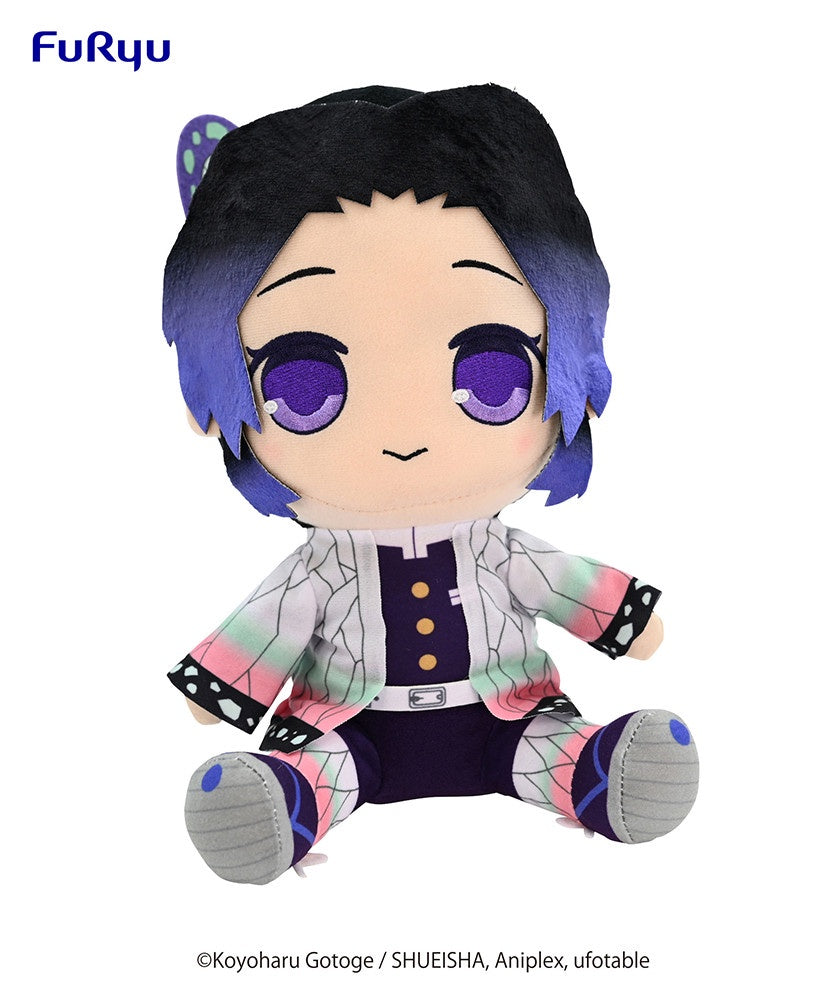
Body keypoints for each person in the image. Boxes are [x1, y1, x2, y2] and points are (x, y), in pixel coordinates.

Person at [163, 84, 698, 885]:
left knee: (548, 746)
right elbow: (269, 623)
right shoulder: (322, 568)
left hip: (506, 715)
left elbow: (563, 582)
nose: (405, 431)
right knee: (325, 769)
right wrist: (217, 691)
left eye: (492, 373)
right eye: (304, 385)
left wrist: (627, 621)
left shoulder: (501, 551)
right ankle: (287, 804)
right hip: (353, 727)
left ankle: (596, 775)